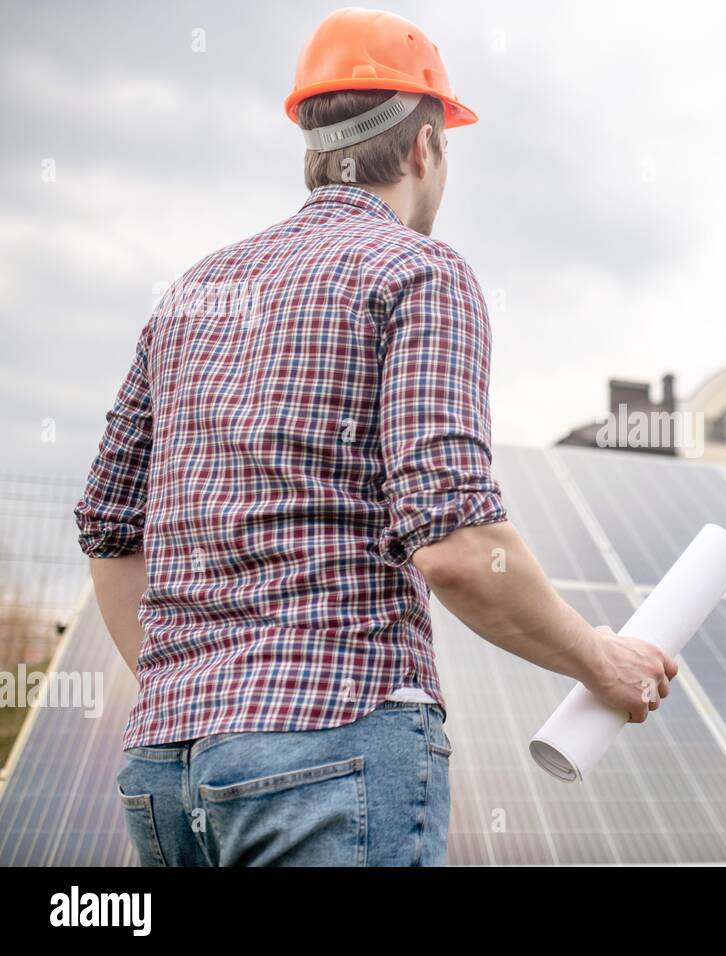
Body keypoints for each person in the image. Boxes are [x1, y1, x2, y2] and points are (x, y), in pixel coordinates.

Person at [74, 7, 676, 867]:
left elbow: (108, 534)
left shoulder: (190, 294)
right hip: (333, 756)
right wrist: (601, 661)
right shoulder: (417, 272)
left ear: (314, 150)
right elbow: (458, 546)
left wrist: (205, 697)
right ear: (427, 146)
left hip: (165, 774)